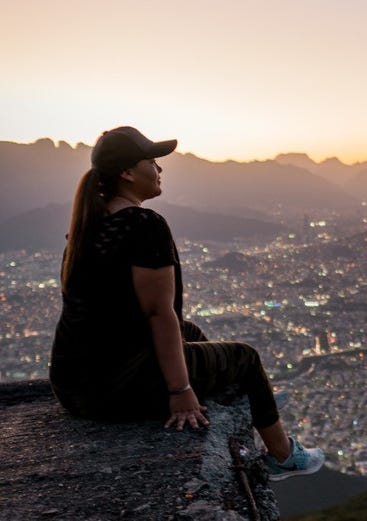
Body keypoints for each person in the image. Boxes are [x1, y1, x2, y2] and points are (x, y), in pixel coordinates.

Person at [50, 126, 323, 481]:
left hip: (74, 384)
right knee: (246, 358)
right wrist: (180, 391)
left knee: (188, 330)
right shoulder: (143, 224)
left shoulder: (89, 225)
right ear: (127, 173)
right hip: (113, 389)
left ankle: (241, 397)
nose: (159, 169)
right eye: (151, 161)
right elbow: (158, 312)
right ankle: (283, 455)